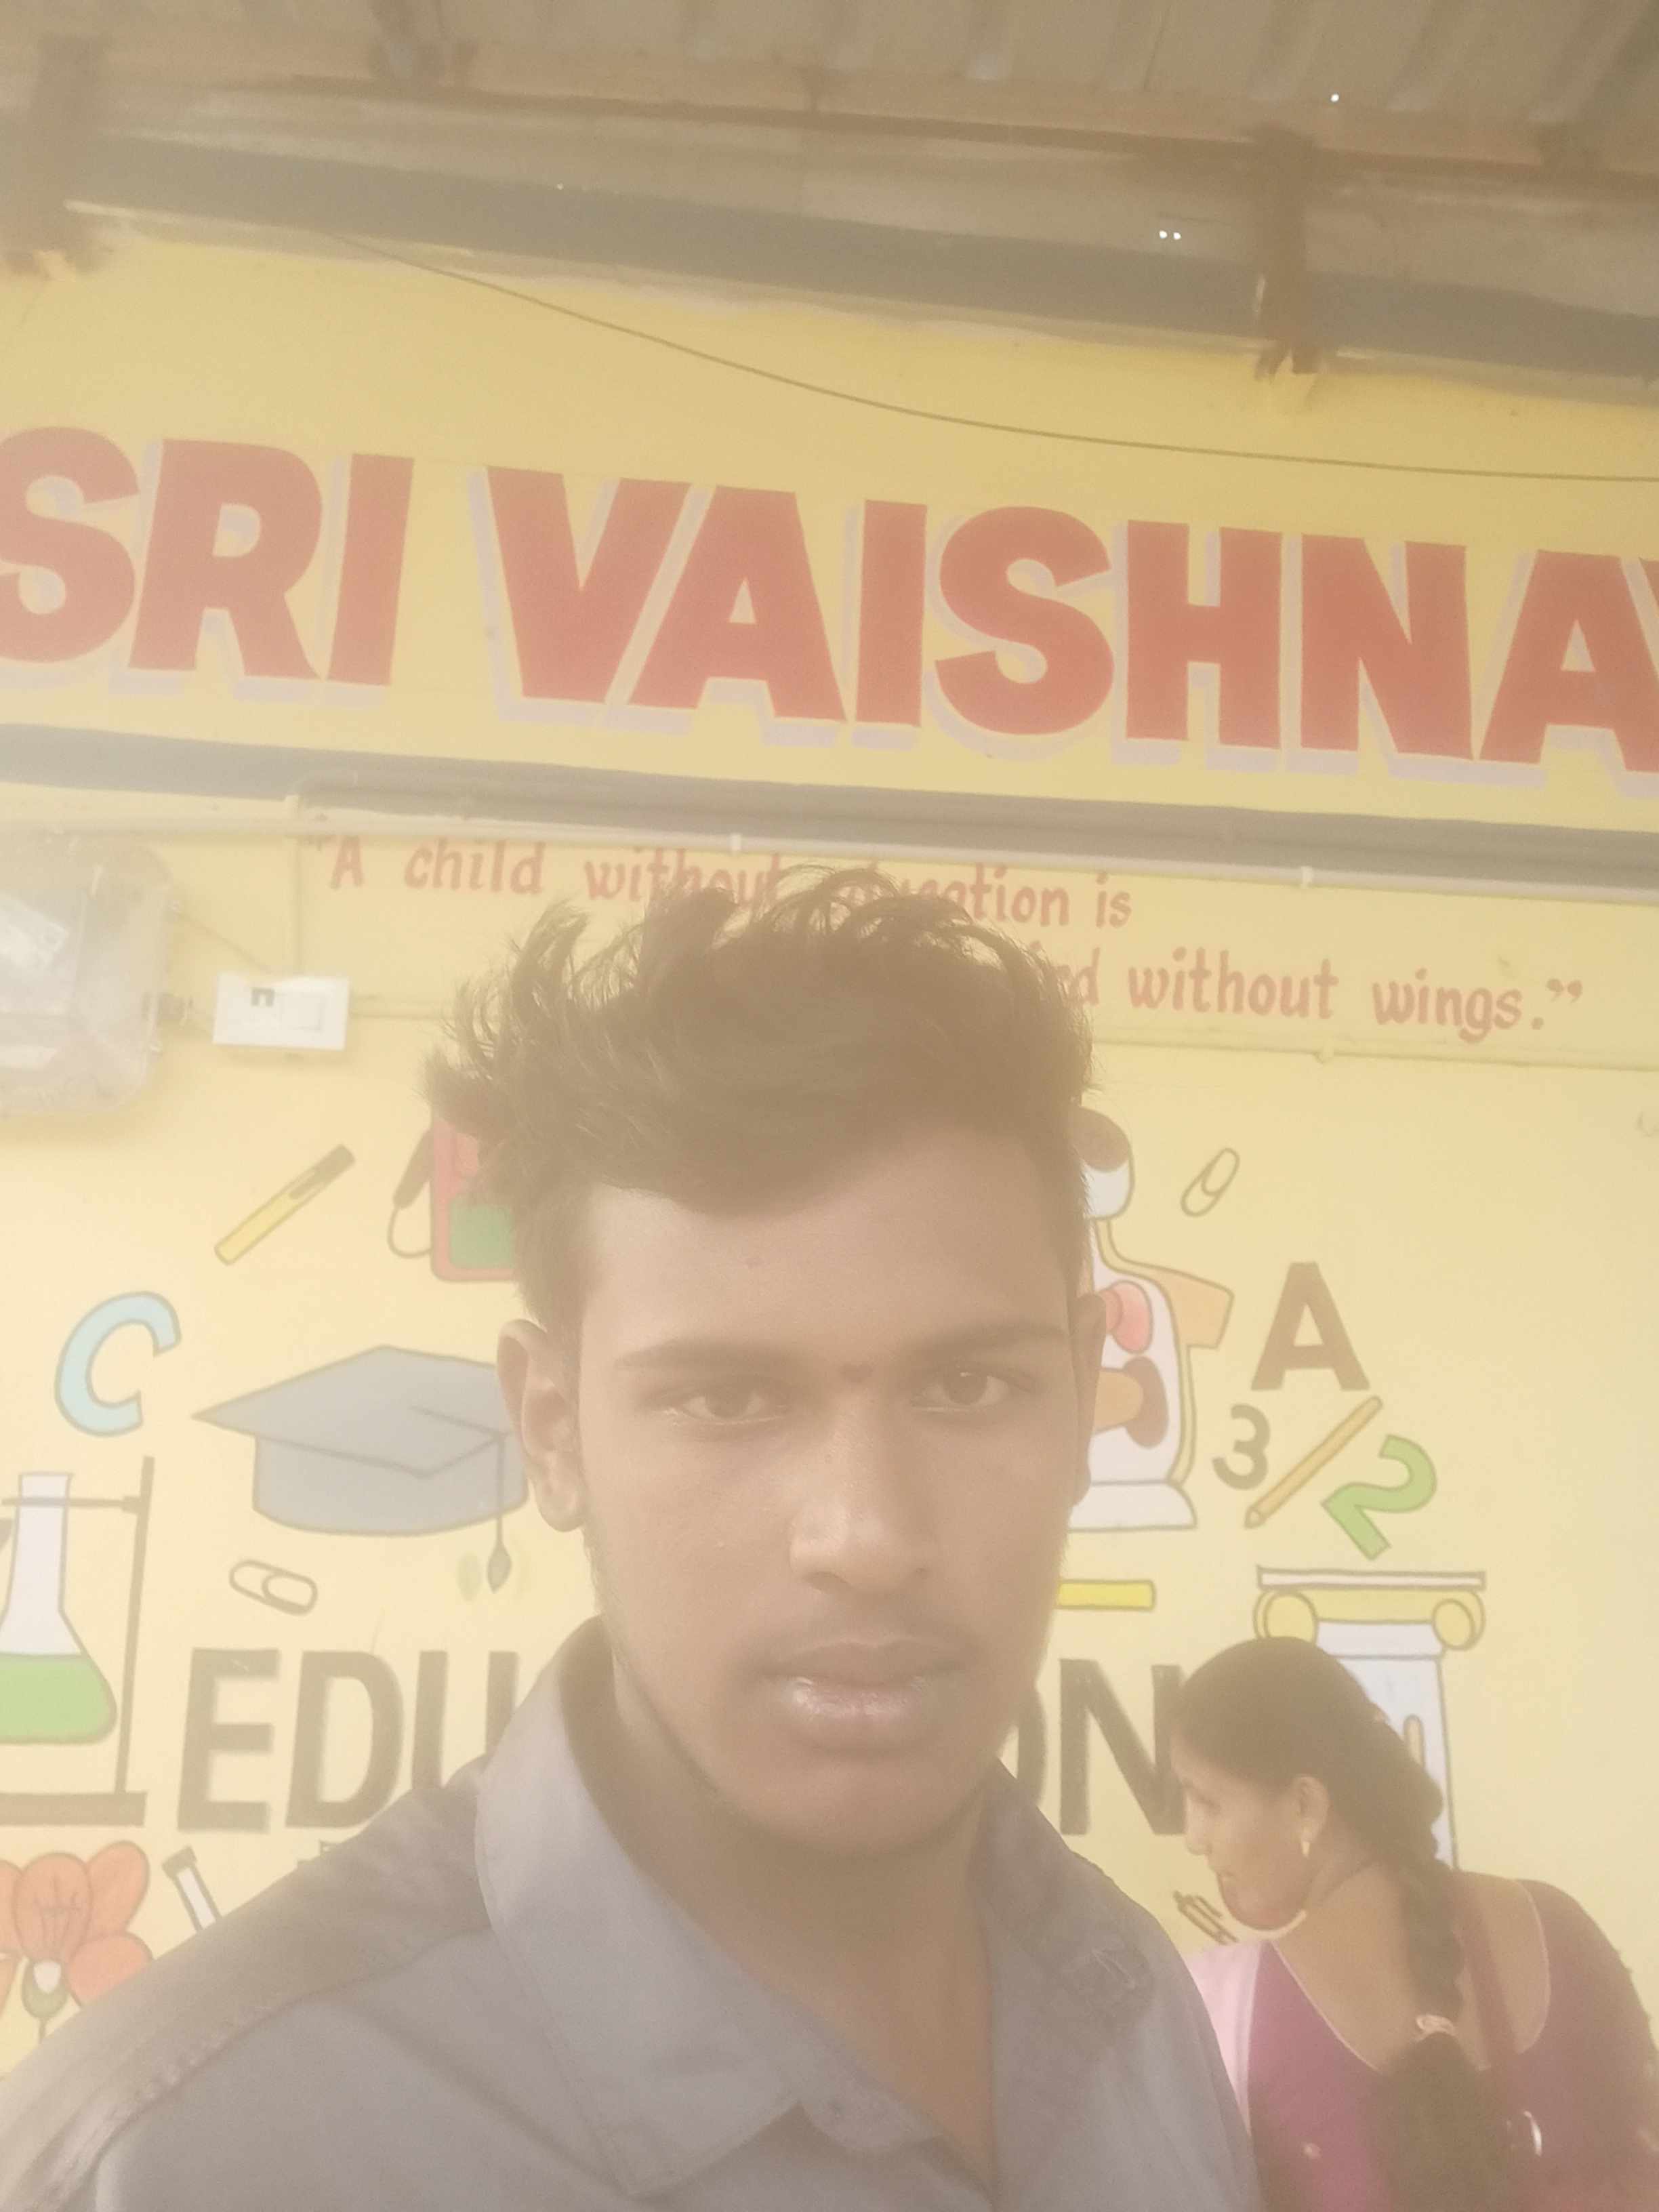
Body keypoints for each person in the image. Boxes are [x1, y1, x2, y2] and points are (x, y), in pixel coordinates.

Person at [1, 872, 1257, 2212]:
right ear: (552, 1429)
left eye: (967, 1384)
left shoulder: (1131, 2001)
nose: (866, 1536)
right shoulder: (184, 2160)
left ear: (1083, 1391)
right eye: (727, 1399)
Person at [1171, 1635, 1659, 2212]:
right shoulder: (1558, 1926)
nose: (1193, 1838)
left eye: (1207, 1802)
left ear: (1305, 1805)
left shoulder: (1219, 2007)